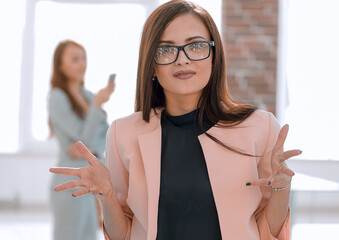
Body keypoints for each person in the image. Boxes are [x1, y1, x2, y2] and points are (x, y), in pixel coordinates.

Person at [49, 1, 302, 239]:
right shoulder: (123, 134)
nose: (183, 59)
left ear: (214, 56)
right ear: (151, 65)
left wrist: (282, 189)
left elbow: (268, 231)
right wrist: (107, 196)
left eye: (196, 46)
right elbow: (123, 234)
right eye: (166, 49)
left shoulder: (260, 128)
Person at [48, 39, 115, 240]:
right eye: (74, 59)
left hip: (89, 183)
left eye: (83, 58)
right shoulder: (57, 97)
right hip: (68, 182)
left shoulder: (88, 96)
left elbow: (105, 135)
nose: (82, 64)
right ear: (60, 65)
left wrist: (92, 151)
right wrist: (97, 105)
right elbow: (82, 137)